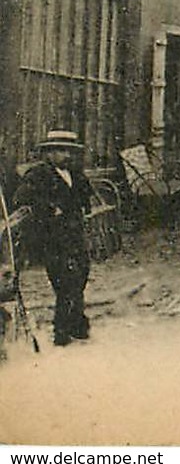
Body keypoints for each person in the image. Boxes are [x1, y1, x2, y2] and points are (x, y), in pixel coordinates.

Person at [14, 130, 94, 346]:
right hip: (53, 237)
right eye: (60, 151)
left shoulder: (75, 174)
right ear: (48, 153)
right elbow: (22, 198)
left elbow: (85, 194)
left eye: (69, 151)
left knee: (81, 273)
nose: (65, 155)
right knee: (63, 279)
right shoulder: (38, 175)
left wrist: (83, 206)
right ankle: (62, 329)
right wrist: (49, 209)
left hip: (75, 234)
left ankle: (77, 323)